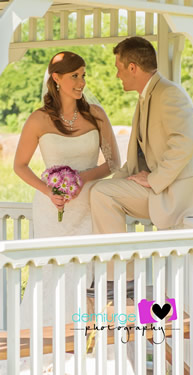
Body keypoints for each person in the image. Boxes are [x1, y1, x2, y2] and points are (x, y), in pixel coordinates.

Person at [13, 50, 121, 326]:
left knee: (88, 272)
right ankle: (44, 344)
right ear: (57, 78)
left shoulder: (96, 115)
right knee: (52, 272)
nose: (81, 82)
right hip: (52, 211)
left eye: (83, 75)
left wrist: (84, 177)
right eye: (75, 76)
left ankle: (90, 344)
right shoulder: (38, 119)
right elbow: (20, 165)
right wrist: (49, 191)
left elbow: (113, 163)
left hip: (89, 207)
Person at [90, 36, 193, 253]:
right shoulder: (146, 96)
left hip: (174, 193)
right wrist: (117, 181)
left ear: (132, 67)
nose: (117, 75)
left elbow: (185, 143)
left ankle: (122, 277)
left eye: (118, 68)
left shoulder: (169, 93)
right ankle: (121, 276)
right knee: (98, 191)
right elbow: (137, 159)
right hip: (158, 189)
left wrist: (153, 179)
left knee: (101, 193)